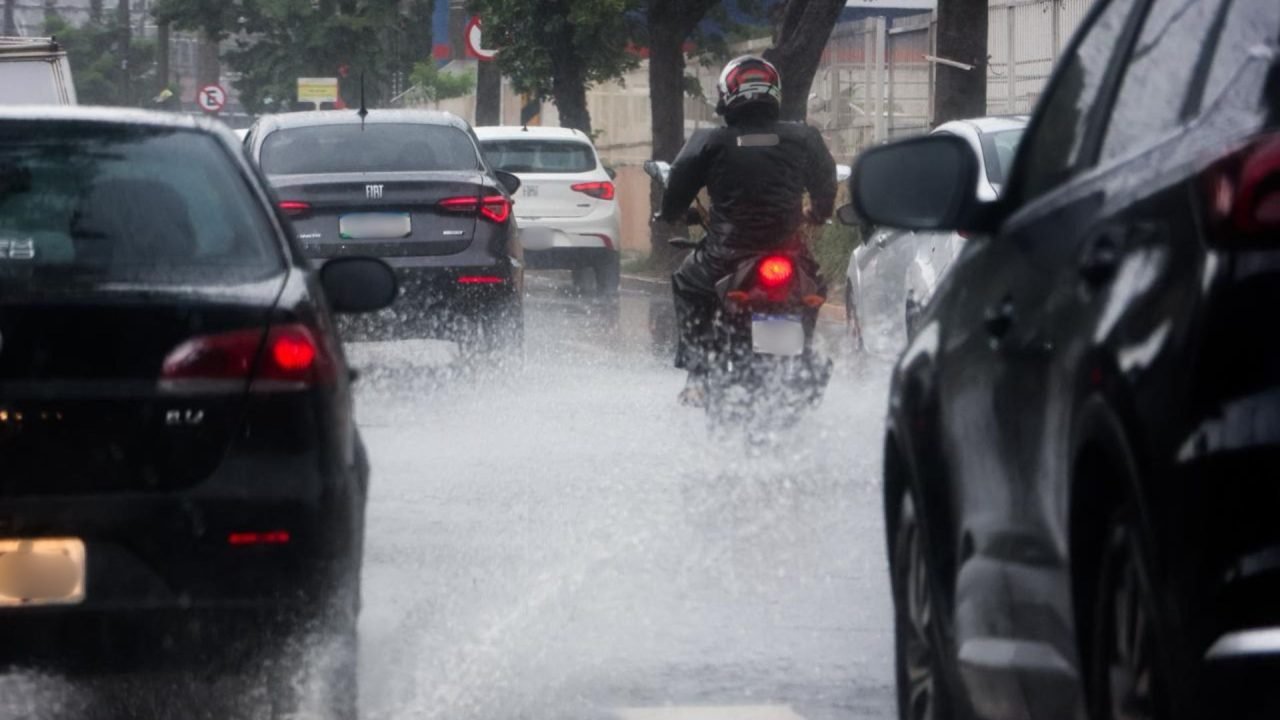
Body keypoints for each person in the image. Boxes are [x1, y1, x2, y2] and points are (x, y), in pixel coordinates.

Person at [659, 55, 837, 406]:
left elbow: (676, 189)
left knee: (686, 282)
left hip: (725, 257)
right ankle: (805, 359)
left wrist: (670, 213)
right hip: (790, 253)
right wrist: (817, 213)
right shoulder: (804, 137)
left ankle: (696, 372)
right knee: (814, 285)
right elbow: (826, 183)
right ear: (774, 92)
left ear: (727, 95)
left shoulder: (710, 141)